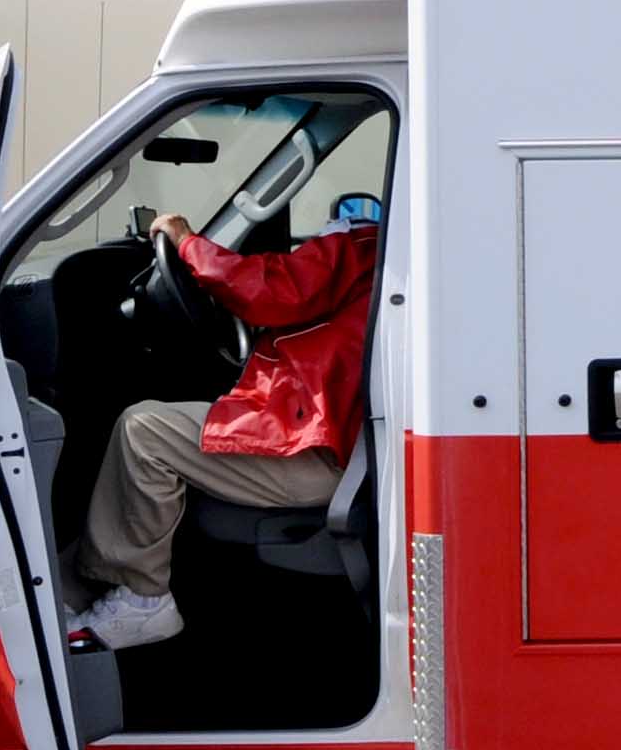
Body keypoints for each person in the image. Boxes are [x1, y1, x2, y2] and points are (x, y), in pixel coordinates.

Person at [63, 204, 383, 649]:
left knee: (144, 432)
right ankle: (76, 585)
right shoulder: (383, 254)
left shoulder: (362, 246)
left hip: (317, 452)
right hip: (330, 441)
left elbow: (267, 289)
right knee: (153, 430)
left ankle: (142, 597)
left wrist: (186, 240)